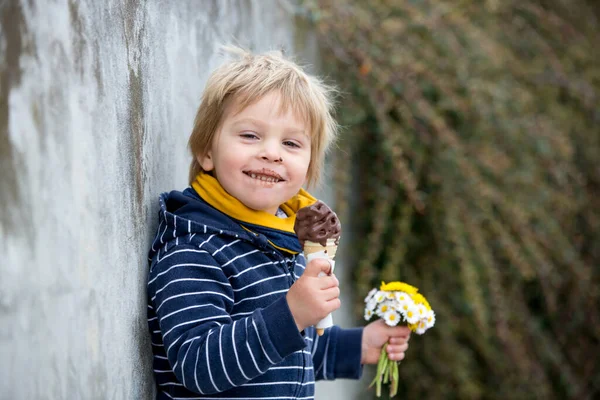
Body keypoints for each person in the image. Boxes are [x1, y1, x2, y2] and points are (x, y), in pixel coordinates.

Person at [146, 46, 410, 400]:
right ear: (207, 152)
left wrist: (359, 345)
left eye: (291, 142)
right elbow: (200, 366)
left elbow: (288, 352)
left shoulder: (281, 242)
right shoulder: (194, 248)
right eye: (250, 135)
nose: (272, 152)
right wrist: (291, 312)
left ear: (309, 166)